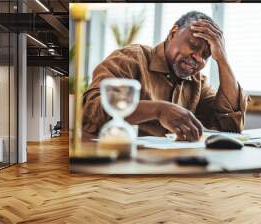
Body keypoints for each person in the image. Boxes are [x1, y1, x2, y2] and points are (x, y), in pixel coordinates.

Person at [82, 11, 249, 142]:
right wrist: (157, 110)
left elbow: (229, 128)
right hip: (123, 163)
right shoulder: (130, 59)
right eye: (193, 45)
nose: (198, 58)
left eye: (206, 55)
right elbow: (91, 112)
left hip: (172, 169)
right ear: (173, 33)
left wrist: (223, 60)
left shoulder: (198, 82)